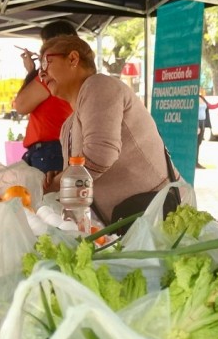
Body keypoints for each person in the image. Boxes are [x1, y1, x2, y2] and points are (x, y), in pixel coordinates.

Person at [38, 35, 181, 224]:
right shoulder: (68, 125)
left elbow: (99, 155)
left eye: (45, 63)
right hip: (129, 223)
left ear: (73, 59)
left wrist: (56, 184)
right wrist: (58, 176)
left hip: (157, 215)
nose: (41, 74)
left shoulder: (98, 85)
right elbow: (80, 175)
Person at [13, 20, 76, 181]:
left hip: (49, 151)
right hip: (58, 148)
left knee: (45, 203)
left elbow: (20, 105)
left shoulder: (52, 74)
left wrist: (31, 72)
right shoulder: (72, 72)